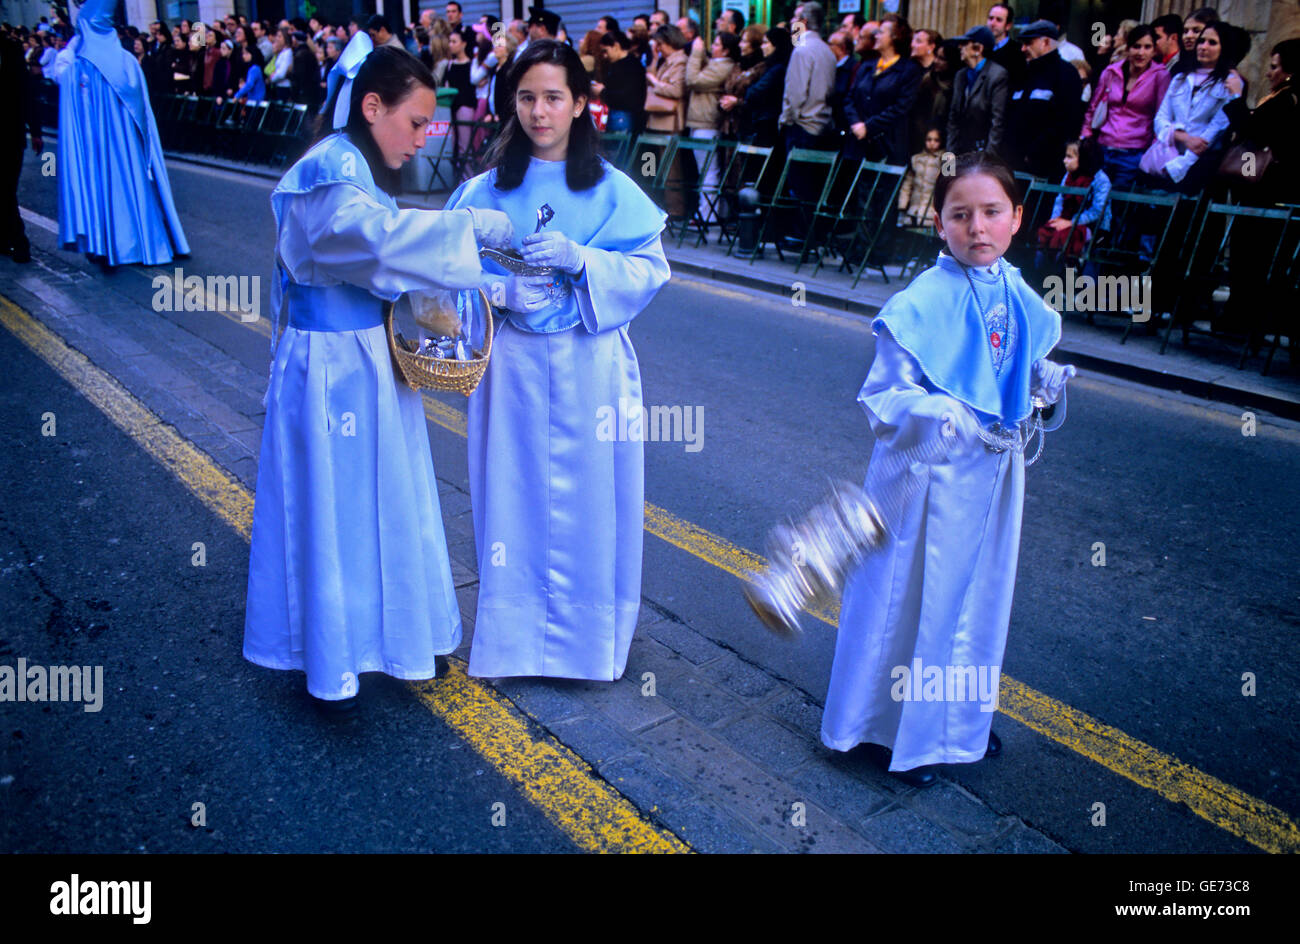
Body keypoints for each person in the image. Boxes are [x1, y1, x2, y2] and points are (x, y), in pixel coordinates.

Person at [243, 46, 516, 713]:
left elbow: (380, 263)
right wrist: (467, 230)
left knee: (386, 500)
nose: (425, 137)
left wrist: (450, 296)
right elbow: (379, 244)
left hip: (365, 359)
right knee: (338, 509)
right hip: (332, 369)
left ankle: (392, 638)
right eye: (417, 122)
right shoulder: (330, 174)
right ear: (373, 107)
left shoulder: (353, 168)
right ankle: (337, 652)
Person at [821, 150, 1076, 786]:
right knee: (910, 600)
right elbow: (884, 396)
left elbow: (1009, 375)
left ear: (1017, 219)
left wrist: (1040, 381)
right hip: (924, 477)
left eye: (992, 213)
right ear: (940, 223)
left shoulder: (1014, 289)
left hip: (989, 475)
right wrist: (934, 409)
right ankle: (888, 732)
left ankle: (955, 722)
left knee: (975, 599)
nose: (978, 228)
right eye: (961, 215)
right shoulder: (922, 300)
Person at [443, 39, 671, 681]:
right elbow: (441, 280)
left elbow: (650, 270)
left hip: (589, 360)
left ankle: (588, 643)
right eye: (526, 98)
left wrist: (583, 261)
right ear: (511, 104)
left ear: (579, 104)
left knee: (594, 500)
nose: (539, 111)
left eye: (552, 97)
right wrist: (497, 290)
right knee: (510, 494)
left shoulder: (612, 190)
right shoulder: (481, 191)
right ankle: (514, 638)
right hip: (510, 361)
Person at [56, 0, 189, 266]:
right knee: (131, 186)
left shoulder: (82, 66)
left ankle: (113, 243)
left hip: (102, 145)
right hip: (125, 146)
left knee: (106, 186)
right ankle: (137, 240)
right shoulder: (123, 61)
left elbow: (66, 86)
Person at [1145, 21, 1244, 193]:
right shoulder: (1180, 78)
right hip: (1167, 157)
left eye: (1212, 43)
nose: (1203, 47)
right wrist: (1181, 137)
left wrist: (1182, 164)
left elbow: (1216, 129)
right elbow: (1161, 118)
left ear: (1224, 47)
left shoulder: (1231, 82)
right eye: (1202, 41)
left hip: (1201, 167)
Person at [1080, 25, 1169, 191]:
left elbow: (1161, 114)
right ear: (1128, 48)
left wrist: (1153, 150)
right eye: (1136, 46)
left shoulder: (1160, 75)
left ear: (1154, 50)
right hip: (1104, 147)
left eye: (1147, 47)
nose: (1141, 53)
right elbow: (1094, 106)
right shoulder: (1111, 72)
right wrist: (1086, 135)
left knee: (1120, 203)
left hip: (1135, 151)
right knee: (1095, 198)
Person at [1005, 19, 1082, 179]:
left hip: (1046, 166)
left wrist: (1036, 153)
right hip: (1014, 164)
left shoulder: (1066, 74)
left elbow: (1067, 121)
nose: (1023, 48)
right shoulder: (1022, 74)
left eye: (1028, 43)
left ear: (1045, 42)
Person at [843, 13, 921, 166]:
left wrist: (869, 127)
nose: (876, 36)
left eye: (880, 32)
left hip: (887, 147)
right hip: (858, 146)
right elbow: (849, 99)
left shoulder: (909, 70)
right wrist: (856, 123)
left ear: (895, 37)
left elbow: (900, 107)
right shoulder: (867, 66)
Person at [1035, 137, 1110, 266]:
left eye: (1070, 157)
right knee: (1045, 234)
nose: (1065, 161)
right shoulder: (1069, 176)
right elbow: (1060, 200)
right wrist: (1056, 219)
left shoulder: (1101, 180)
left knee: (1065, 238)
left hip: (1090, 226)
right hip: (1067, 221)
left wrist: (1070, 223)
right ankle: (1039, 274)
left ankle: (1065, 275)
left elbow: (1097, 211)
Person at [946, 25, 1009, 156]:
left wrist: (988, 159)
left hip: (981, 152)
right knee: (949, 175)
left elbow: (997, 122)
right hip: (958, 150)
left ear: (978, 49)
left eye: (964, 44)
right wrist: (949, 165)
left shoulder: (997, 75)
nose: (960, 48)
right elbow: (953, 120)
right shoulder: (960, 76)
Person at [596, 30, 645, 134]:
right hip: (619, 116)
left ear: (616, 46)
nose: (605, 55)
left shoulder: (631, 66)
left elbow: (628, 96)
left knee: (617, 149)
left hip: (624, 117)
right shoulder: (619, 64)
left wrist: (602, 91)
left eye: (606, 51)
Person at [897, 127, 942, 226]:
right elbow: (907, 185)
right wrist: (902, 206)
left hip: (931, 211)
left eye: (936, 140)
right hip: (913, 210)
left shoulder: (946, 159)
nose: (932, 143)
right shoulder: (916, 159)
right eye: (929, 139)